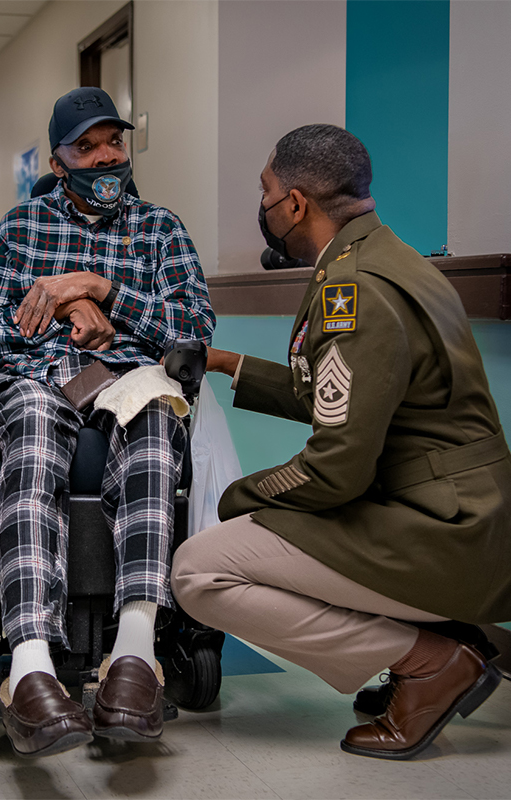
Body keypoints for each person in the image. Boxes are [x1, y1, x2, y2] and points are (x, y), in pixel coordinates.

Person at [172, 124, 511, 761]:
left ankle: (431, 659)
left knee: (200, 568)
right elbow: (346, 394)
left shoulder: (353, 290)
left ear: (295, 203)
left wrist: (237, 497)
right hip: (467, 513)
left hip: (443, 531)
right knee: (259, 535)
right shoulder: (392, 259)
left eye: (267, 192)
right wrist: (225, 363)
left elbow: (336, 471)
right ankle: (450, 632)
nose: (265, 207)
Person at [0, 87, 215, 757]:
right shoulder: (21, 228)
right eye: (86, 146)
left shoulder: (162, 229)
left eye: (113, 142)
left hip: (129, 378)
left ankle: (133, 656)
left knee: (158, 417)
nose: (104, 157)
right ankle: (32, 666)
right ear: (58, 159)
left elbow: (192, 335)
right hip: (39, 380)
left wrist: (103, 292)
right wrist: (54, 320)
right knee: (36, 433)